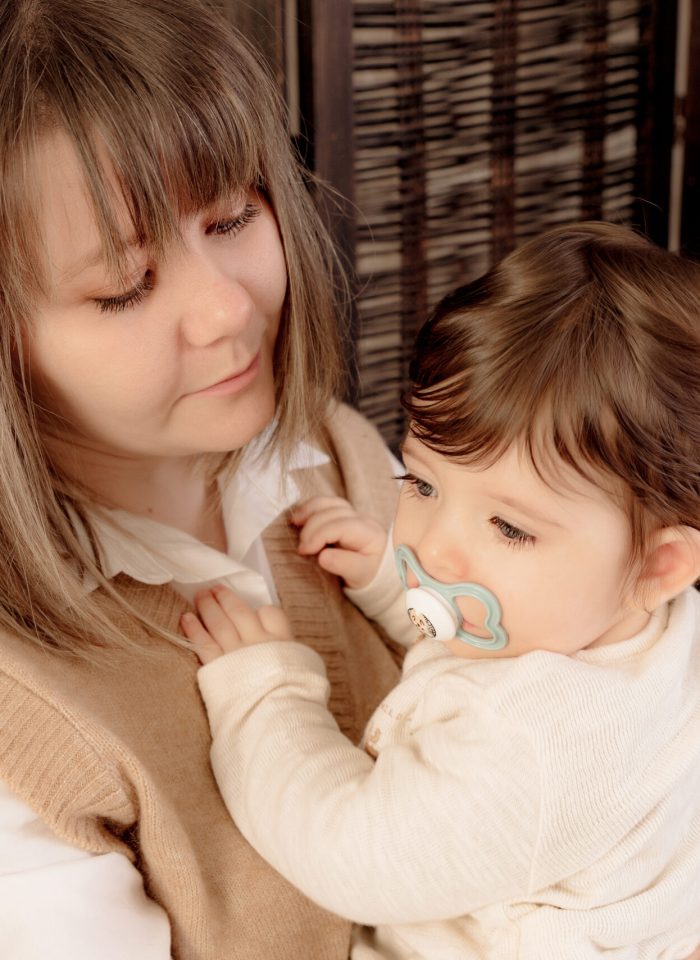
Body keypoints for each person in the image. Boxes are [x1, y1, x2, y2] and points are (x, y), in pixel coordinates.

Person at [0, 1, 404, 956]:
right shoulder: (29, 714)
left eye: (233, 217)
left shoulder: (340, 454)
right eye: (125, 287)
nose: (229, 308)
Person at [185, 222, 700, 959]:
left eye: (510, 528)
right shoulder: (633, 625)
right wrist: (391, 580)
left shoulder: (535, 752)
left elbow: (350, 854)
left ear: (658, 567)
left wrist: (266, 701)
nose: (433, 544)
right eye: (422, 482)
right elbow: (486, 636)